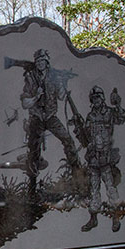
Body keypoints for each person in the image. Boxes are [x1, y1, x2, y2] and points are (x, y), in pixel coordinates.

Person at [19, 49, 80, 190]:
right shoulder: (30, 78)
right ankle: (32, 185)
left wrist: (65, 84)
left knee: (68, 140)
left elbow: (62, 96)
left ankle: (78, 176)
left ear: (47, 62)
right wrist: (36, 97)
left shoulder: (54, 77)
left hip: (51, 116)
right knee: (33, 150)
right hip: (36, 117)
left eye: (43, 61)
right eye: (38, 61)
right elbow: (24, 103)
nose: (41, 63)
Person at [82, 86, 125, 232]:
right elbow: (86, 135)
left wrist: (118, 105)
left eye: (98, 98)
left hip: (107, 157)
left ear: (102, 98)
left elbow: (121, 118)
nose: (96, 101)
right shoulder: (90, 116)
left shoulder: (109, 112)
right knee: (94, 189)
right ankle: (93, 218)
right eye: (94, 99)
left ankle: (115, 217)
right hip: (94, 157)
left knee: (110, 188)